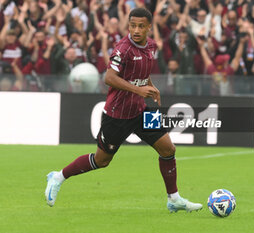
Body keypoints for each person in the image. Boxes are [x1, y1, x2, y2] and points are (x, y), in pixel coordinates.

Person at [44, 8, 203, 213]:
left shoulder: (152, 46)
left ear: (148, 27)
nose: (136, 30)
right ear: (128, 25)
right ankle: (58, 177)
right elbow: (109, 78)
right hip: (117, 115)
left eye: (141, 26)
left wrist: (150, 86)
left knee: (168, 149)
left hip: (141, 110)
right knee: (101, 161)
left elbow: (142, 73)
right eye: (132, 25)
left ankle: (174, 199)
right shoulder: (123, 49)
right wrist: (139, 89)